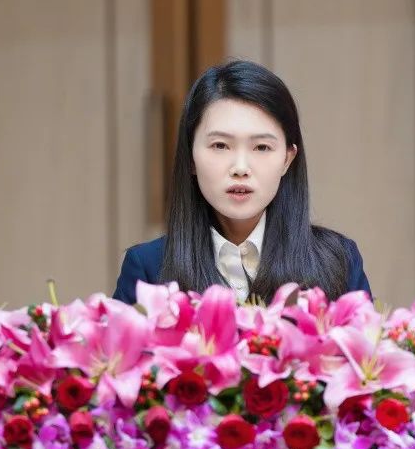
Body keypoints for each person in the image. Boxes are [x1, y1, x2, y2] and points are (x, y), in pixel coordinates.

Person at [113, 60, 371, 305]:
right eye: (220, 145)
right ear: (190, 156)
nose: (240, 168)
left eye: (261, 147)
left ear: (287, 159)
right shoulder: (147, 269)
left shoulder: (338, 262)